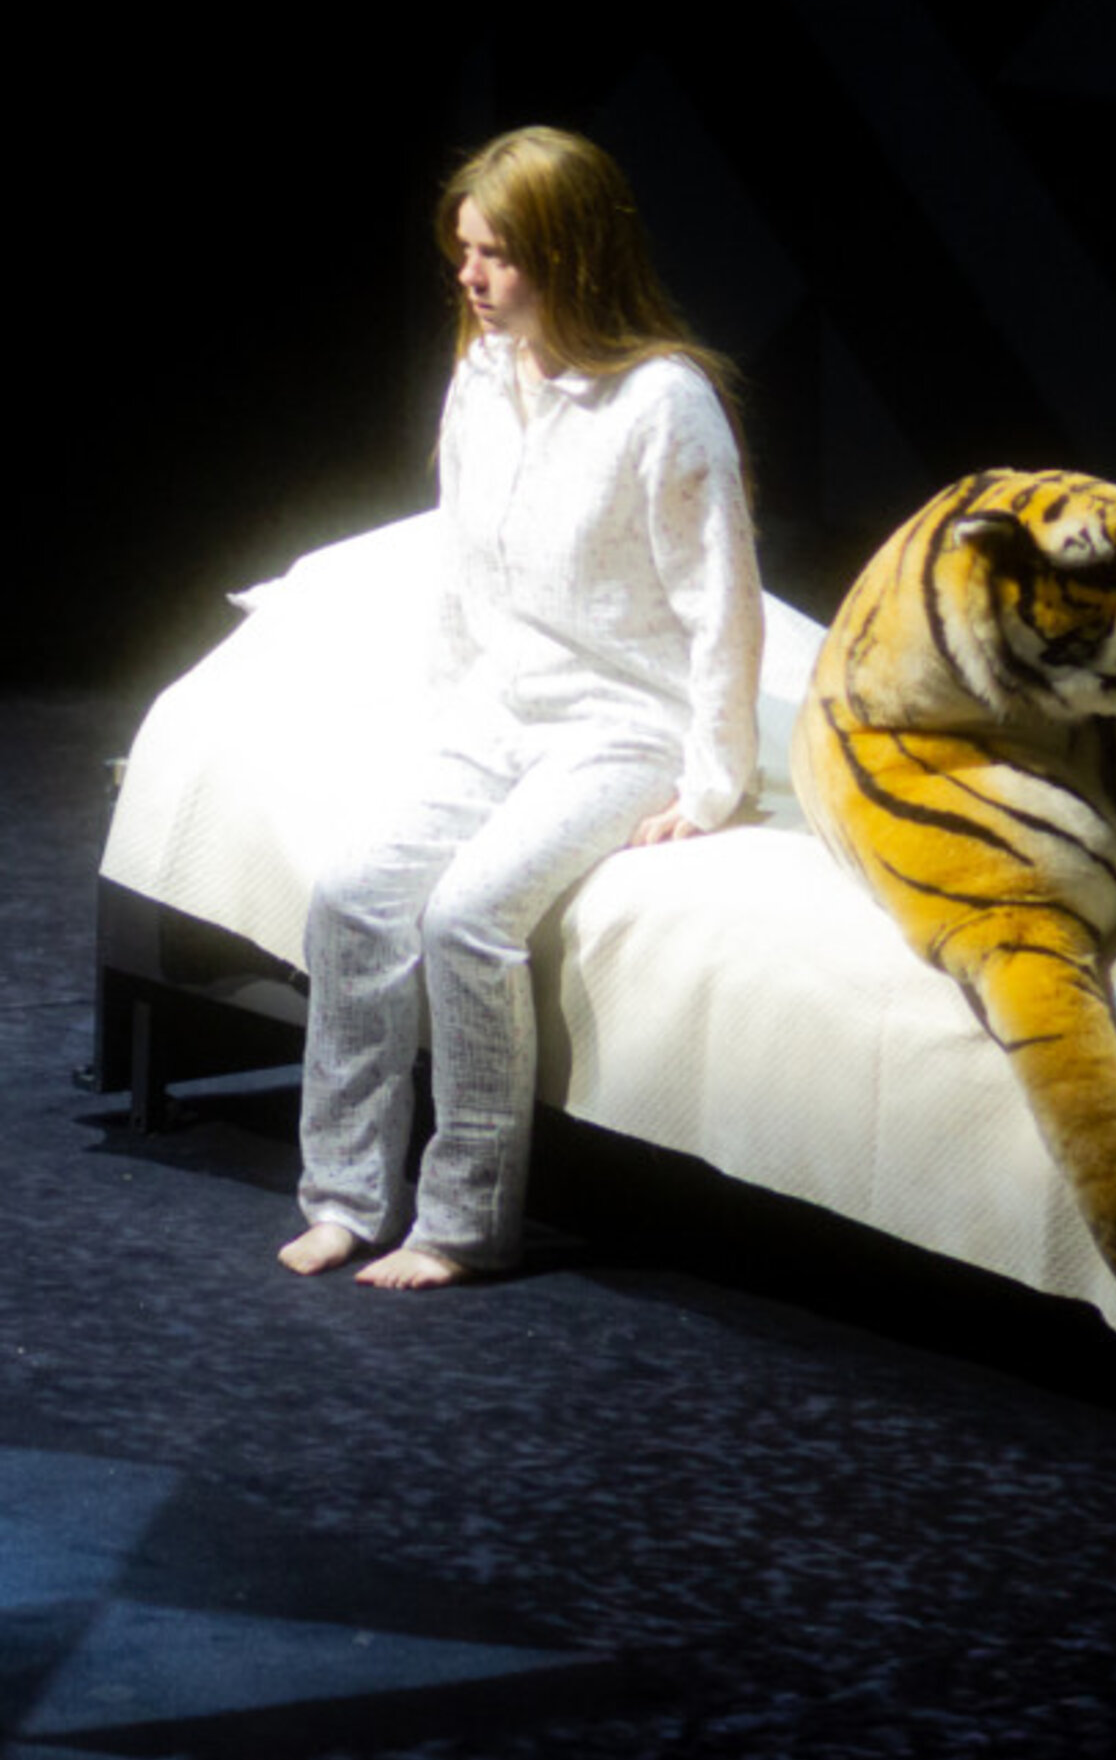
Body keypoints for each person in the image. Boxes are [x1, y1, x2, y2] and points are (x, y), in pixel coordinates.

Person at [279, 126, 762, 1292]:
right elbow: (461, 566)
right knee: (352, 894)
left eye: (497, 253)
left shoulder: (663, 401)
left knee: (467, 917)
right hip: (500, 708)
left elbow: (721, 604)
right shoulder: (483, 378)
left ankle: (460, 1219)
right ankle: (344, 1195)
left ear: (570, 254)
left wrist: (711, 784)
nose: (471, 275)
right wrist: (445, 716)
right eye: (465, 250)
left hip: (622, 721)